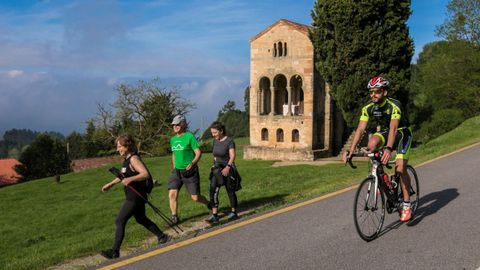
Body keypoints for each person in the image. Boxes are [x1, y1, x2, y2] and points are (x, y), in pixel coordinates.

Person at [342, 76, 414, 222]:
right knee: (372, 144)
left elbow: (394, 128)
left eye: (377, 91)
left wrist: (388, 149)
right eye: (371, 92)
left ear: (385, 92)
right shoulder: (368, 108)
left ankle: (407, 204)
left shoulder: (394, 105)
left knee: (400, 169)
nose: (373, 94)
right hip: (387, 131)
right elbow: (360, 129)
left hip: (402, 133)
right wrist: (351, 150)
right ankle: (383, 179)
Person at [100, 134, 169, 259]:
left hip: (135, 196)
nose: (117, 149)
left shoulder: (133, 159)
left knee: (120, 220)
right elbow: (122, 176)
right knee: (141, 218)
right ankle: (162, 236)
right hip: (135, 195)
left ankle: (114, 251)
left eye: (120, 146)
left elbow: (145, 174)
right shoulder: (126, 160)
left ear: (127, 146)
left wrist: (130, 179)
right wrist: (110, 184)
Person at [168, 115, 210, 225]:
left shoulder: (189, 137)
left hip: (189, 171)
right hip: (177, 172)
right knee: (172, 194)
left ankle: (209, 204)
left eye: (177, 124)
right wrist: (173, 167)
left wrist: (193, 163)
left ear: (183, 124)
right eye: (173, 125)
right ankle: (174, 217)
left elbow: (198, 153)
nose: (175, 126)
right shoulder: (173, 139)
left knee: (195, 198)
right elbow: (174, 154)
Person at [205, 121, 239, 224]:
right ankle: (215, 215)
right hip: (217, 169)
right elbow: (215, 155)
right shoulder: (215, 141)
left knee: (230, 190)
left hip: (228, 168)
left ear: (221, 131)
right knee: (213, 189)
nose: (213, 135)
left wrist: (228, 167)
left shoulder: (229, 141)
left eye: (215, 132)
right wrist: (214, 164)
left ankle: (233, 212)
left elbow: (232, 156)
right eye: (212, 132)